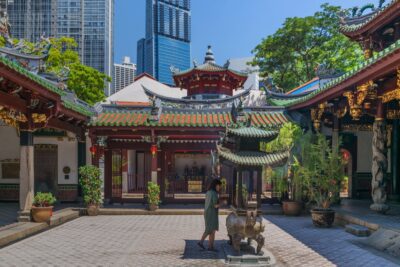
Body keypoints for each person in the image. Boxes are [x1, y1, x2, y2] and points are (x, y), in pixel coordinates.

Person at [198, 178, 221, 252]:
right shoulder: (214, 193)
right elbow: (215, 205)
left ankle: (210, 246)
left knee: (211, 230)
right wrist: (223, 203)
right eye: (219, 186)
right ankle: (202, 242)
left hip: (207, 212)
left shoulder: (208, 192)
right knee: (210, 230)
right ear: (216, 185)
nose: (219, 187)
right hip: (212, 213)